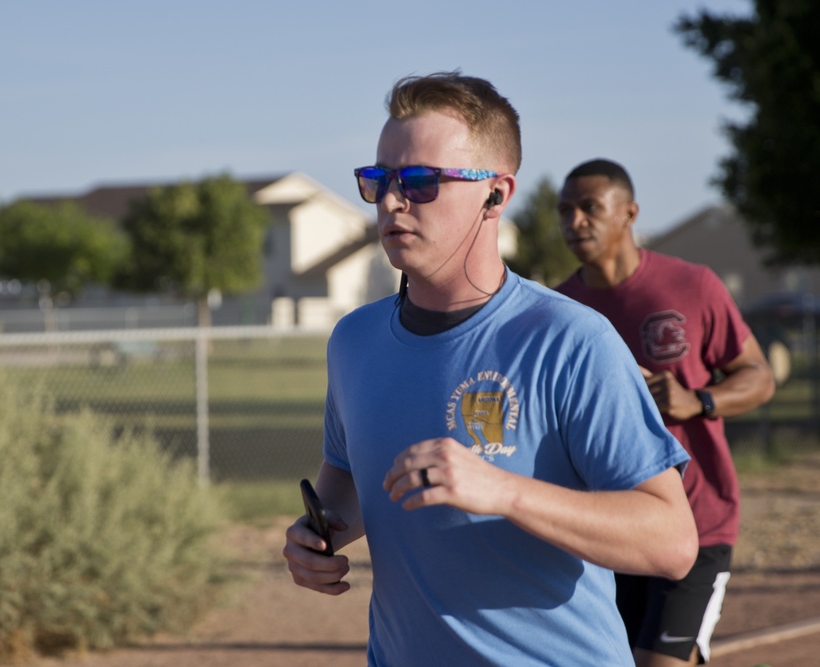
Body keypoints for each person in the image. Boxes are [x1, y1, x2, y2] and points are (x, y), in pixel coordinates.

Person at [282, 71, 699, 666]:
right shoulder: (354, 341)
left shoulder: (570, 339)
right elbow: (346, 484)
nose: (394, 201)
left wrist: (504, 492)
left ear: (496, 194)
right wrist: (316, 537)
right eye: (379, 180)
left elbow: (672, 542)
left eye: (422, 181)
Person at [554, 158, 776, 666]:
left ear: (629, 213)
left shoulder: (691, 287)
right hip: (609, 530)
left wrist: (698, 400)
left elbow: (759, 377)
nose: (575, 222)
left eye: (590, 208)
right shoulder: (561, 311)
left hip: (697, 525)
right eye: (566, 211)